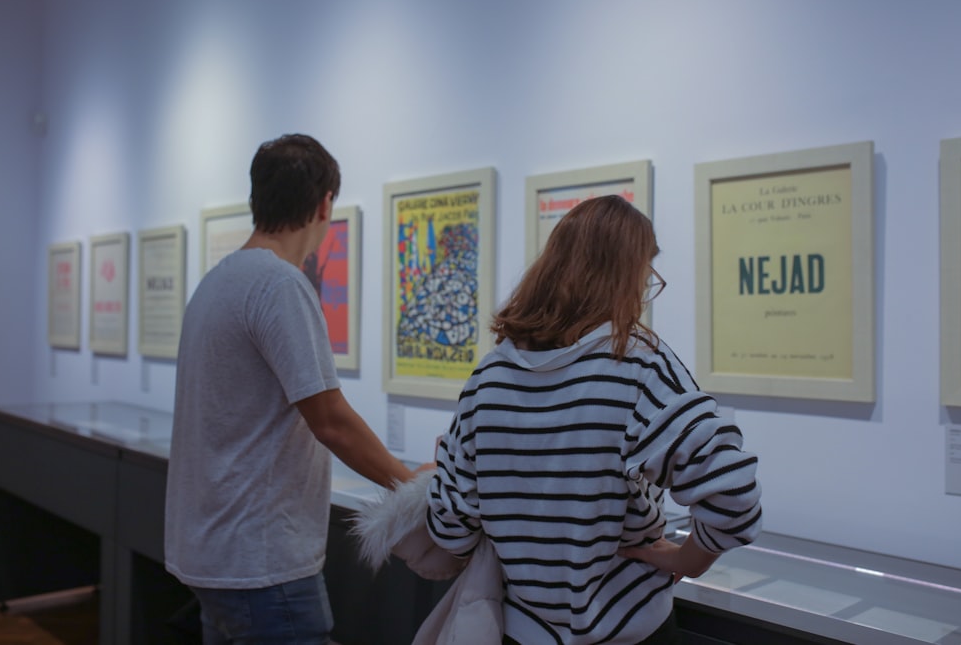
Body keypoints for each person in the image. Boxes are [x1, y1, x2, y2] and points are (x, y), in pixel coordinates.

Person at [426, 195, 763, 645]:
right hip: (631, 632)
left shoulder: (488, 379)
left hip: (522, 631)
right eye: (645, 276)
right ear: (624, 277)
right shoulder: (638, 366)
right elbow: (734, 497)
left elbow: (450, 530)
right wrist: (689, 561)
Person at [165, 133, 418, 644]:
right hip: (261, 566)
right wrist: (412, 488)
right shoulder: (279, 285)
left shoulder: (216, 283)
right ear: (325, 204)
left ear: (257, 197)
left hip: (213, 557)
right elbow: (330, 420)